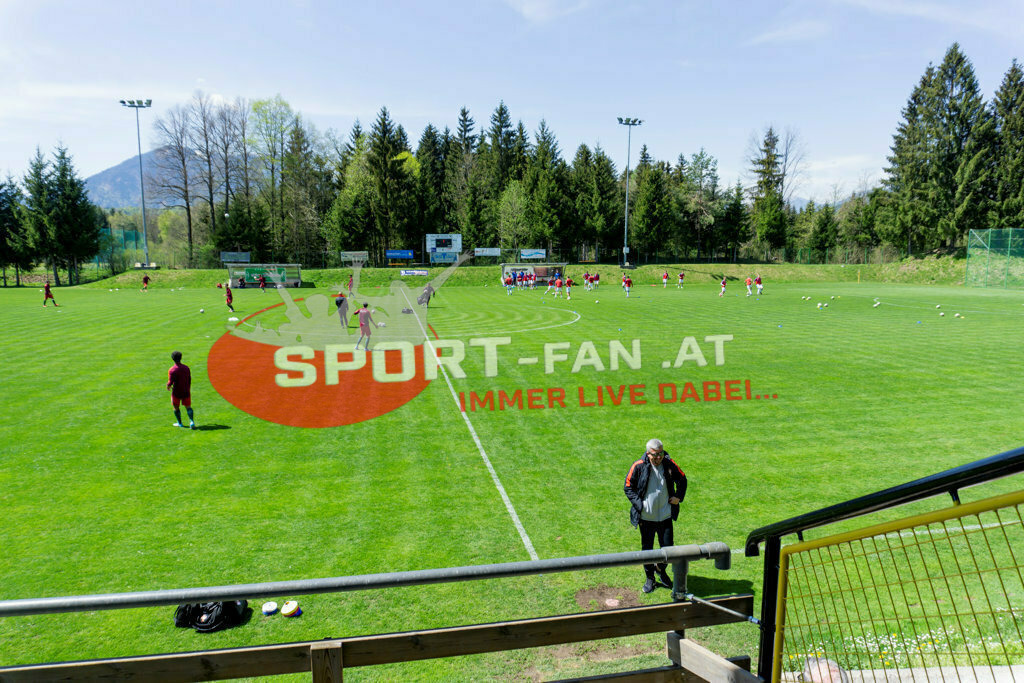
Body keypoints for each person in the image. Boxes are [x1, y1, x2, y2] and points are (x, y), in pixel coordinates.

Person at [624, 439, 687, 593]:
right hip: (646, 518)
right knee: (647, 550)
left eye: (661, 453)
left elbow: (682, 479)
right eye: (655, 455)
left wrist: (678, 497)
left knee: (668, 549)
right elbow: (628, 487)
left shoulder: (669, 463)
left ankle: (660, 569)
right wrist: (640, 505)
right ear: (648, 453)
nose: (658, 457)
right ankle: (650, 578)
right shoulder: (638, 466)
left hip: (665, 516)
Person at [167, 350, 195, 429]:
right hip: (186, 390)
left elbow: (170, 382)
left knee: (176, 407)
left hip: (176, 391)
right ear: (181, 358)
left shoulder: (172, 370)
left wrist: (168, 386)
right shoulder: (186, 368)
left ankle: (180, 423)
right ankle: (191, 421)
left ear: (172, 359)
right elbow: (189, 379)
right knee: (188, 407)